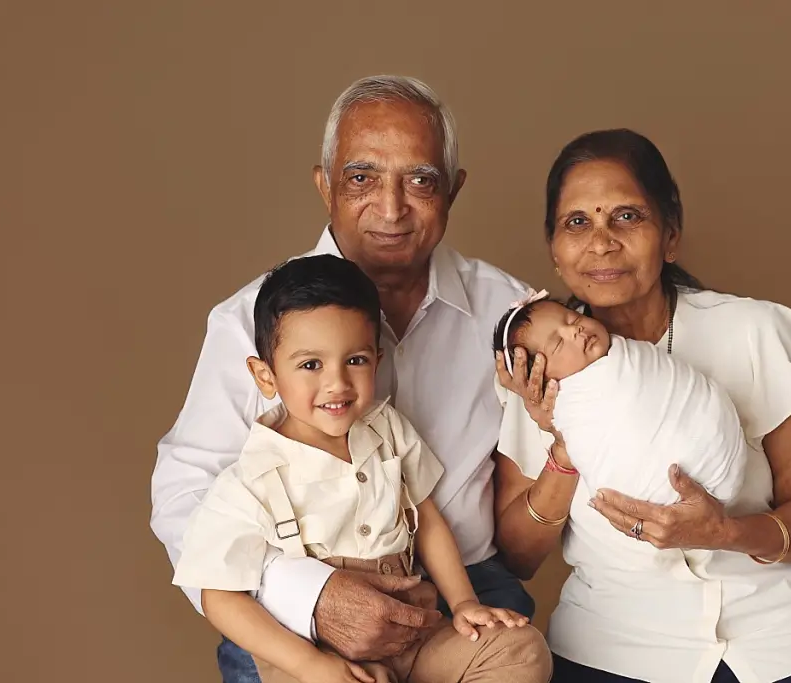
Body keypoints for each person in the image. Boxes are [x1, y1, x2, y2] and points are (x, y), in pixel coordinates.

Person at [150, 75, 541, 683]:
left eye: (420, 180)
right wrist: (310, 594)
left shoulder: (512, 315)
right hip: (293, 609)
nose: (391, 207)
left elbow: (491, 494)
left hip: (460, 587)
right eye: (361, 177)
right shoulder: (248, 320)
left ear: (453, 190)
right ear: (324, 185)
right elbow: (185, 496)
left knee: (517, 654)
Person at [493, 129, 791, 682]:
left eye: (627, 216)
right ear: (555, 252)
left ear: (671, 235)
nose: (601, 242)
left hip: (777, 646)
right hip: (614, 649)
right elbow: (518, 557)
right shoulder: (535, 371)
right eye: (577, 222)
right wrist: (563, 450)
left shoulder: (754, 332)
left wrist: (726, 533)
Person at [172, 255, 549, 683]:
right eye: (311, 365)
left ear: (377, 359)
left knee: (520, 650)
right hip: (315, 657)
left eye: (355, 360)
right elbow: (219, 596)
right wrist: (312, 666)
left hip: (414, 636)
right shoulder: (247, 481)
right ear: (265, 376)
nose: (337, 383)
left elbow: (426, 519)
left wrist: (463, 603)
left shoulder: (387, 429)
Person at [491, 293, 747, 507]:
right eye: (558, 343)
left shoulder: (624, 352)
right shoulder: (565, 402)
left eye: (573, 319)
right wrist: (559, 440)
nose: (575, 330)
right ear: (538, 376)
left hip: (723, 447)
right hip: (660, 496)